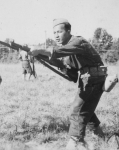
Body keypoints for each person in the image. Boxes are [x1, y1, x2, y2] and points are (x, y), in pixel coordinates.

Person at [28, 18, 107, 150]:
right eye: (54, 33)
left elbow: (57, 52)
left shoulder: (77, 41)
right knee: (86, 108)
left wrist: (39, 50)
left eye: (59, 32)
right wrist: (48, 60)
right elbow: (71, 74)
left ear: (69, 31)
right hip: (87, 79)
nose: (56, 35)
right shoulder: (67, 52)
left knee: (77, 110)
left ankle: (75, 142)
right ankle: (101, 137)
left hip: (94, 78)